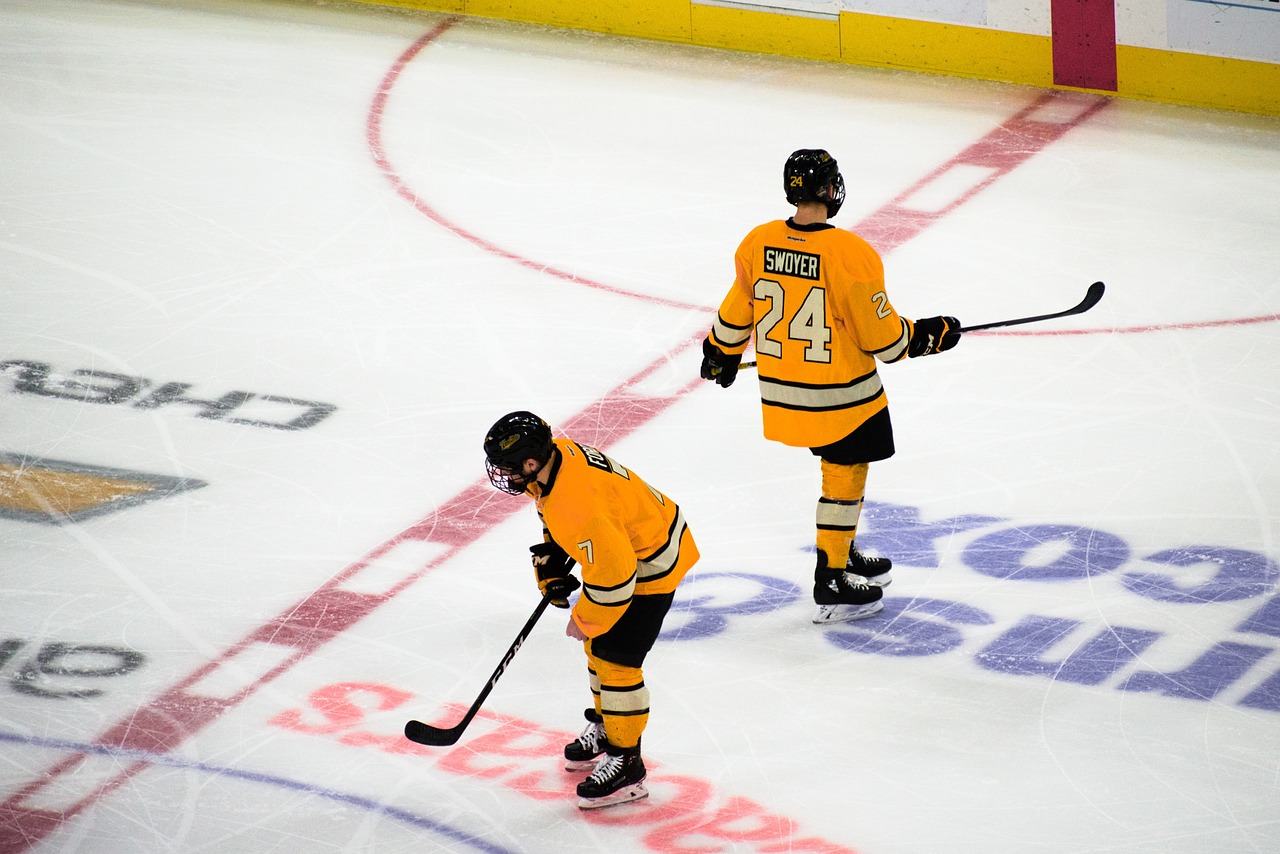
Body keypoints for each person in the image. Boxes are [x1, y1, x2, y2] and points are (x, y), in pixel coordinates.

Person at [699, 148, 962, 625]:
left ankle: (841, 543)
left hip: (782, 392)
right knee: (846, 474)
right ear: (829, 189)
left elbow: (740, 305)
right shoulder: (849, 252)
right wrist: (928, 335)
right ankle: (832, 577)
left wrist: (720, 351)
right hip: (841, 395)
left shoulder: (758, 241)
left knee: (840, 472)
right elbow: (885, 342)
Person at [482, 411, 700, 810]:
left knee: (616, 661)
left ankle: (627, 764)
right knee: (598, 649)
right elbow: (552, 509)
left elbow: (616, 577)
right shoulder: (554, 460)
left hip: (651, 562)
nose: (505, 476)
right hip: (636, 537)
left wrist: (586, 619)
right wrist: (553, 553)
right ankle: (608, 725)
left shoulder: (578, 502)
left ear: (529, 462)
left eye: (509, 468)